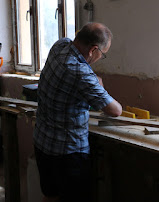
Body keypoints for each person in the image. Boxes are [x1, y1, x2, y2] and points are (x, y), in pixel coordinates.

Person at [33, 22, 122, 202]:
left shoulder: (60, 45)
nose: (99, 58)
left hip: (43, 143)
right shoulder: (81, 74)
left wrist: (91, 78)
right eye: (102, 55)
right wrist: (97, 83)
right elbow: (115, 110)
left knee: (50, 195)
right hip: (68, 152)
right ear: (93, 50)